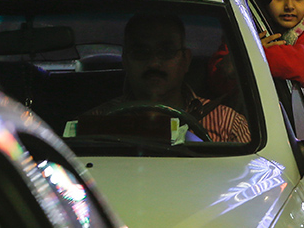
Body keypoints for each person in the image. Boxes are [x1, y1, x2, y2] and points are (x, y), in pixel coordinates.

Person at [82, 12, 251, 143]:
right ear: (125, 61)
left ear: (185, 60)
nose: (154, 64)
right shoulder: (92, 124)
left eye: (167, 52)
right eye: (141, 53)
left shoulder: (229, 125)